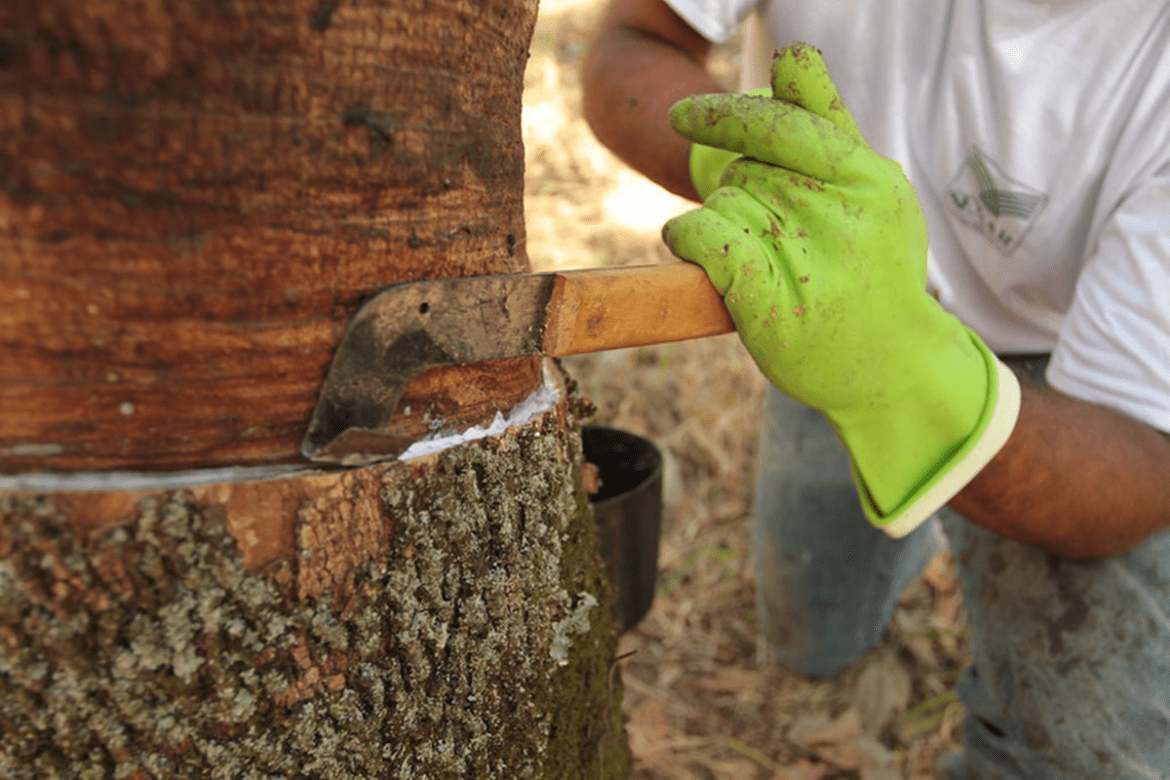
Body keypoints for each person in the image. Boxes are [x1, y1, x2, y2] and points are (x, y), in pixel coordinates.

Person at [582, 2, 1170, 777]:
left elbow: (1140, 470)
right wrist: (743, 173)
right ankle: (911, 509)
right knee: (809, 637)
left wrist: (905, 371)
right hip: (828, 310)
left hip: (1069, 380)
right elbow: (631, 41)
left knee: (1090, 755)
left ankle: (933, 461)